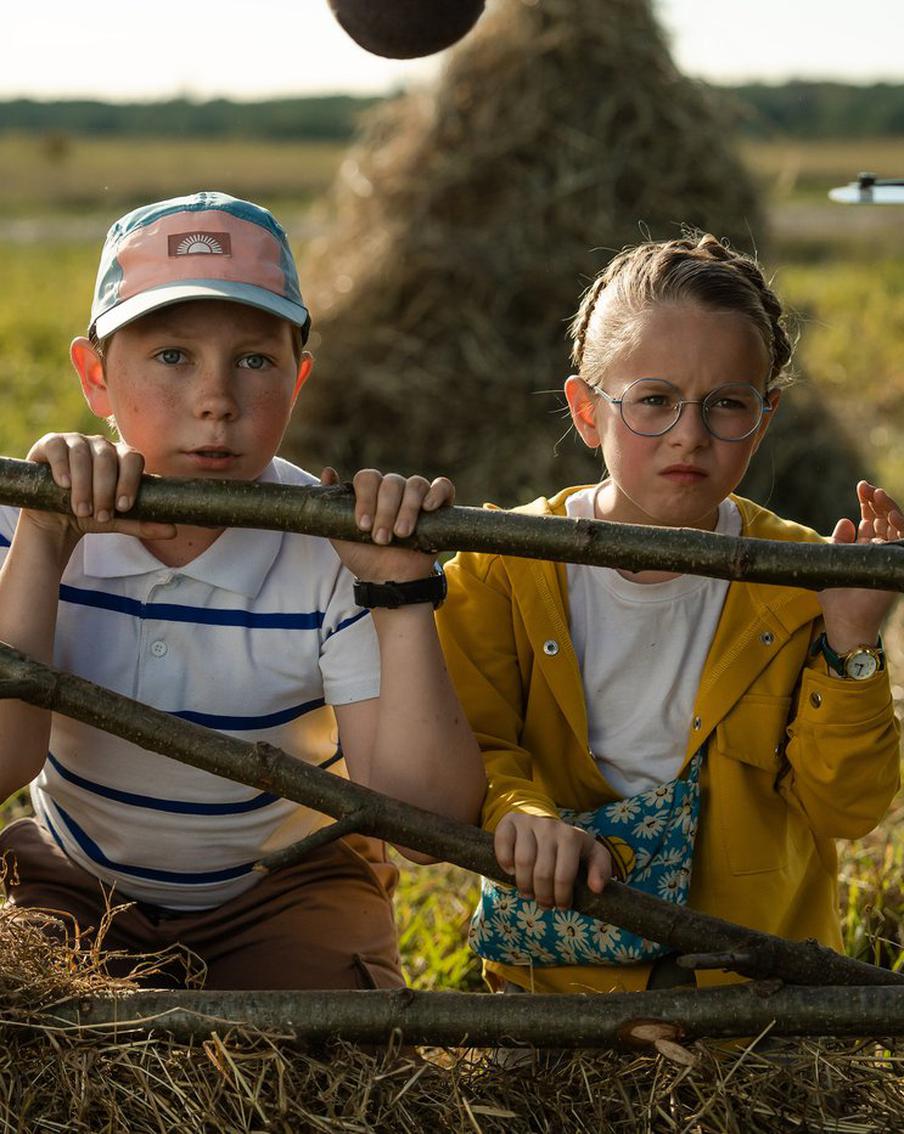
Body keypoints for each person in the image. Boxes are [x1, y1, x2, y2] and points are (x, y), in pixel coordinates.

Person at [0, 191, 485, 991]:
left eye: (255, 360)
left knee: (329, 1055)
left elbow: (426, 825)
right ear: (95, 375)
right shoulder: (28, 521)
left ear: (298, 378)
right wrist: (45, 545)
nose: (217, 398)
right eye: (171, 356)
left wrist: (399, 596)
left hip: (282, 887)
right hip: (75, 875)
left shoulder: (333, 551)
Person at [436, 232, 902, 995]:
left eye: (727, 404)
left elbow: (847, 809)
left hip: (757, 1002)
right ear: (586, 412)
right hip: (554, 998)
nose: (691, 433)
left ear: (766, 414)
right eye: (654, 400)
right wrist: (520, 811)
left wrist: (851, 640)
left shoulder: (803, 576)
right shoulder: (503, 566)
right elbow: (470, 746)